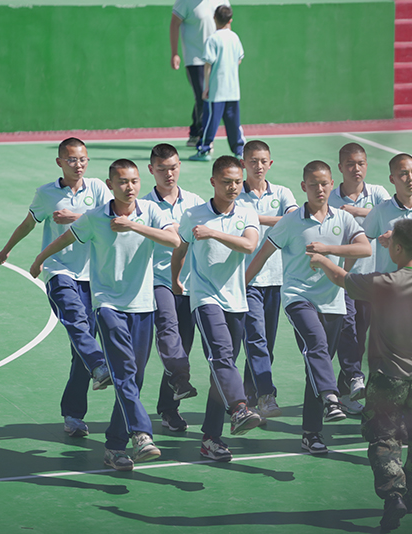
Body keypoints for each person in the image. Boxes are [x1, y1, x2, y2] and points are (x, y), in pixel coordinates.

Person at [308, 219, 412, 533]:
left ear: (397, 247)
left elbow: (342, 278)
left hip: (387, 377)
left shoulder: (383, 283)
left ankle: (394, 493)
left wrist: (321, 259)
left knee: (383, 439)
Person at [30, 159, 181, 471]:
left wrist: (134, 226)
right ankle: (141, 434)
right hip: (108, 306)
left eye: (134, 181)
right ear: (110, 185)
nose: (130, 187)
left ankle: (114, 447)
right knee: (124, 372)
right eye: (123, 182)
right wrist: (40, 258)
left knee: (134, 379)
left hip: (143, 306)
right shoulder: (96, 217)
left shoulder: (151, 211)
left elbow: (174, 240)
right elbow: (66, 237)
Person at [245, 160, 371, 454]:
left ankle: (311, 434)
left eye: (324, 183)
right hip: (298, 297)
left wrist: (329, 252)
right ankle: (331, 397)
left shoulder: (343, 219)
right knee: (316, 344)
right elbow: (262, 255)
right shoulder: (290, 222)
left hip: (334, 302)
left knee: (317, 363)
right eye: (313, 184)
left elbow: (364, 248)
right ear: (304, 187)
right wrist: (242, 288)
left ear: (331, 184)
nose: (320, 189)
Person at [0, 138, 112, 438]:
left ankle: (73, 415)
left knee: (80, 348)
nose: (78, 165)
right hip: (59, 271)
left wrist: (76, 217)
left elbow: (112, 219)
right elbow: (28, 223)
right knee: (76, 320)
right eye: (72, 159)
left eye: (83, 159)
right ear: (60, 162)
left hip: (93, 276)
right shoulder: (46, 194)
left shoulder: (99, 189)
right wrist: (7, 248)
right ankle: (100, 364)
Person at [172, 155, 262, 462]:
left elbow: (249, 245)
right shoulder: (193, 215)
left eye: (237, 182)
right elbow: (180, 250)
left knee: (222, 370)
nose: (233, 187)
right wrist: (175, 281)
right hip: (205, 298)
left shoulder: (247, 212)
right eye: (226, 182)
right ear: (213, 182)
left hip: (236, 300)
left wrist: (213, 233)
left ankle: (211, 439)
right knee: (222, 356)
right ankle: (239, 408)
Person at [144, 143, 205, 433]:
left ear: (179, 166)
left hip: (191, 284)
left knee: (183, 346)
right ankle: (181, 380)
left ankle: (168, 407)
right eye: (162, 169)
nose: (169, 174)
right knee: (168, 329)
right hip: (159, 281)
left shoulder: (195, 202)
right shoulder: (144, 206)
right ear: (151, 169)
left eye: (173, 167)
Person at [237, 140, 298, 419]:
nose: (258, 166)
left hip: (275, 279)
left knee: (265, 345)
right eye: (253, 161)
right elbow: (284, 221)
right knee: (256, 338)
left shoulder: (282, 192)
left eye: (263, 161)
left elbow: (294, 221)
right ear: (243, 163)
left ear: (270, 163)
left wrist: (254, 218)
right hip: (247, 280)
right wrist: (274, 219)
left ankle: (248, 395)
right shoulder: (236, 193)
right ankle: (266, 394)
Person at [329, 142, 390, 414]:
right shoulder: (330, 198)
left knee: (366, 336)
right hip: (344, 278)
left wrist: (358, 212)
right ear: (340, 167)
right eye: (350, 164)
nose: (356, 169)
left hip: (374, 278)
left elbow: (390, 218)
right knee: (348, 332)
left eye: (361, 163)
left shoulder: (378, 194)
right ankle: (351, 380)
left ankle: (347, 392)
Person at [170, 0, 230, 147]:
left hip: (216, 58)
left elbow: (227, 26)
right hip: (195, 58)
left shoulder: (223, 1)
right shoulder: (185, 2)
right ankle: (204, 137)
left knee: (206, 96)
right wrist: (175, 53)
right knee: (203, 96)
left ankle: (195, 131)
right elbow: (174, 24)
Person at [189, 5, 245, 161]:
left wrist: (206, 87)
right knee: (234, 122)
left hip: (217, 90)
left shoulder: (212, 39)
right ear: (230, 20)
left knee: (210, 122)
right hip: (233, 90)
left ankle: (204, 150)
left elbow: (208, 64)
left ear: (214, 18)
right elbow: (239, 59)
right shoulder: (235, 37)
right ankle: (239, 150)